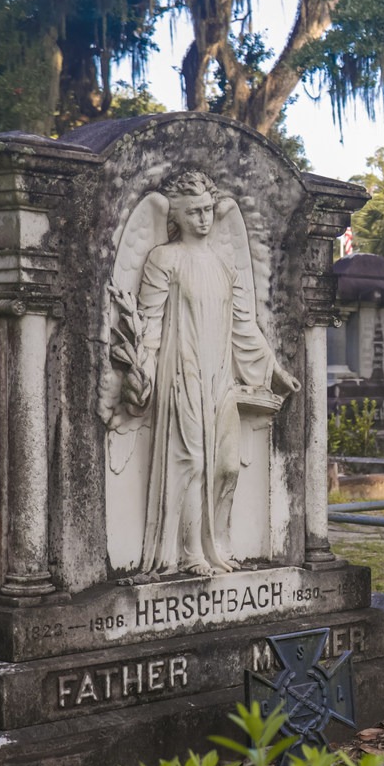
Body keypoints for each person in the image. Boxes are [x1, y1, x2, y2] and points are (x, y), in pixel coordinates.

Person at [127, 170, 299, 577]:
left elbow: (244, 324)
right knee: (193, 463)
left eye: (207, 210)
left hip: (219, 378)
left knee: (227, 466)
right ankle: (190, 554)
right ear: (178, 217)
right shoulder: (163, 258)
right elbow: (148, 322)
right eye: (193, 212)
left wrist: (274, 369)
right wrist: (144, 372)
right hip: (181, 373)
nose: (203, 219)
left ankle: (217, 544)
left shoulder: (225, 265)